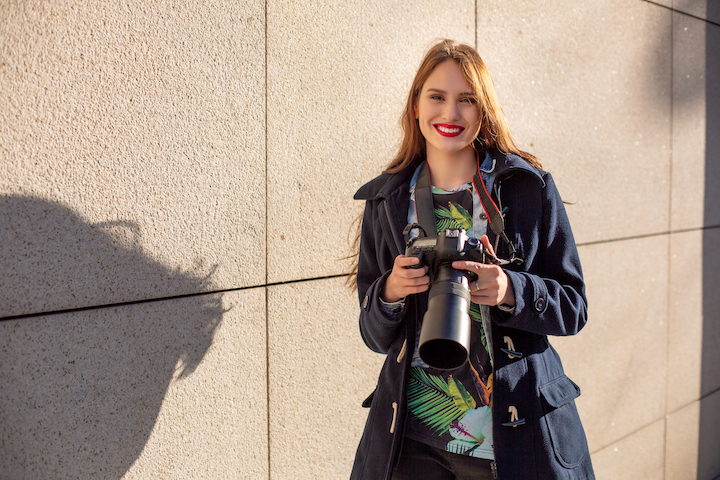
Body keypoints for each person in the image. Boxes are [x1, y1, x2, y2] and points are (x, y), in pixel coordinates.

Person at [349, 39, 595, 480]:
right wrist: (390, 292)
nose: (450, 114)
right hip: (413, 439)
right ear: (416, 107)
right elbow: (374, 335)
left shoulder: (527, 188)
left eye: (467, 100)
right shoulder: (386, 201)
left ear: (482, 111)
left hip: (514, 435)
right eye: (437, 97)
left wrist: (511, 290)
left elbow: (573, 307)